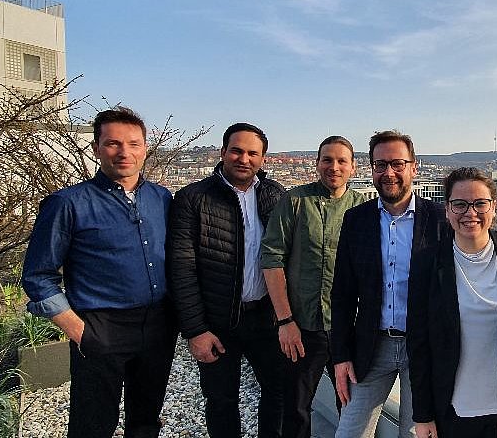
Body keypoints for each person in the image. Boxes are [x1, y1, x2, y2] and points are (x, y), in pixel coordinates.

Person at [22, 106, 176, 438]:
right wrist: (79, 331)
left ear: (145, 148)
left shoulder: (161, 198)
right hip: (100, 324)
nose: (125, 153)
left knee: (147, 418)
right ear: (96, 148)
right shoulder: (67, 203)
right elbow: (37, 276)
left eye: (134, 144)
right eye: (113, 144)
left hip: (158, 324)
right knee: (93, 422)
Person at [167, 123, 287, 438]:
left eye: (252, 153)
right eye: (237, 150)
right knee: (221, 400)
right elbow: (181, 269)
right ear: (223, 153)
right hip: (217, 322)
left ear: (263, 158)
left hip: (266, 317)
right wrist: (196, 330)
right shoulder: (193, 198)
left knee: (279, 392)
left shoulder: (275, 195)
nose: (243, 158)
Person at [408, 168, 497, 438]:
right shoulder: (427, 262)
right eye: (459, 204)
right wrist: (423, 416)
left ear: (494, 208)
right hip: (456, 410)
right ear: (447, 210)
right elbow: (419, 343)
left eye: (480, 203)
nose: (470, 213)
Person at [330, 130, 445, 438]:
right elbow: (342, 293)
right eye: (380, 165)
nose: (388, 172)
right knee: (350, 432)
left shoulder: (439, 218)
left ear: (414, 166)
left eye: (397, 163)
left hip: (424, 347)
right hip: (372, 346)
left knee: (415, 433)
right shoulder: (356, 219)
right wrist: (340, 356)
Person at [261, 135, 366, 438]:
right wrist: (285, 321)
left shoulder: (363, 208)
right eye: (327, 160)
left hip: (348, 328)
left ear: (353, 167)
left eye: (341, 160)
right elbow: (272, 258)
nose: (334, 167)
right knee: (295, 408)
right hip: (302, 325)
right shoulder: (295, 201)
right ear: (317, 163)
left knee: (351, 407)